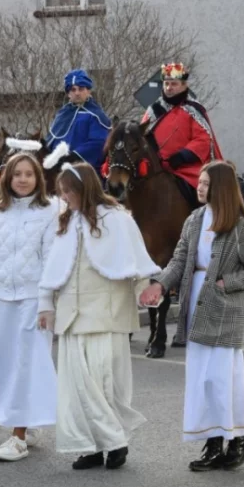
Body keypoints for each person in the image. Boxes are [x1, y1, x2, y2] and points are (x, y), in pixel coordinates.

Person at [140, 161, 244, 472]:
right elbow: (180, 258)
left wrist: (228, 283)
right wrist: (159, 284)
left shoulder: (238, 226)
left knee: (222, 377)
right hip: (195, 304)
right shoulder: (194, 219)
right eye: (200, 181)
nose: (199, 186)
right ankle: (214, 440)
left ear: (221, 187)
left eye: (206, 182)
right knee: (201, 378)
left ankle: (234, 439)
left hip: (224, 307)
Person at [38, 163, 156, 470]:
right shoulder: (64, 223)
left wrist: (146, 287)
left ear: (85, 188)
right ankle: (90, 445)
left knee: (104, 382)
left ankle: (113, 442)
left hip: (106, 311)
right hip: (72, 314)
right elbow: (52, 269)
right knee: (76, 385)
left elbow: (136, 259)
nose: (64, 197)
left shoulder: (117, 219)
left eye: (69, 191)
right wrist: (45, 305)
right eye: (61, 192)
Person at [0, 152, 60, 462]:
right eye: (17, 174)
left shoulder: (50, 211)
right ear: (8, 178)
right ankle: (27, 422)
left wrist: (48, 303)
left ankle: (18, 436)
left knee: (27, 364)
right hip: (3, 299)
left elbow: (51, 260)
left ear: (38, 179)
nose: (22, 179)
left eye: (28, 174)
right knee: (7, 364)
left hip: (33, 301)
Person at [141, 62, 224, 207]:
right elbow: (141, 137)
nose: (169, 88)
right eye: (166, 83)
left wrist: (182, 156)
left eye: (174, 84)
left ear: (184, 85)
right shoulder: (153, 110)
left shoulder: (193, 109)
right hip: (155, 167)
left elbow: (204, 139)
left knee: (200, 192)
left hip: (185, 168)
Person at [46, 69, 112, 170]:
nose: (77, 93)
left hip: (85, 170)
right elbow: (52, 140)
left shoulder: (96, 115)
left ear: (88, 91)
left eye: (81, 89)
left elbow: (98, 143)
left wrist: (73, 157)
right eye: (73, 89)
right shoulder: (62, 114)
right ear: (68, 93)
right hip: (57, 168)